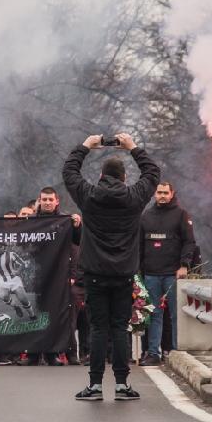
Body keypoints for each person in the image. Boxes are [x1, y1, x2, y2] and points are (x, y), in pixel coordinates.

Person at [63, 133, 159, 401]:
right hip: (123, 274)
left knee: (97, 328)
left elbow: (69, 172)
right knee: (119, 328)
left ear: (101, 177)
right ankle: (121, 385)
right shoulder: (134, 197)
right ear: (125, 178)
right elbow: (152, 173)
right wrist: (133, 147)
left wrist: (84, 146)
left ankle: (94, 386)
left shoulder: (89, 196)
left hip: (94, 274)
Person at [19, 186, 82, 366]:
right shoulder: (30, 221)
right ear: (39, 201)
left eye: (50, 200)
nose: (47, 203)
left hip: (59, 275)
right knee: (34, 315)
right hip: (36, 277)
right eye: (44, 199)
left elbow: (77, 245)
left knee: (61, 315)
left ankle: (57, 354)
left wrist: (77, 227)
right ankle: (33, 354)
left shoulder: (65, 220)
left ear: (57, 201)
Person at [138, 181, 195, 366]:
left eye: (165, 192)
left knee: (175, 314)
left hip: (173, 273)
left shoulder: (180, 215)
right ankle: (153, 353)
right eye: (159, 192)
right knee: (153, 314)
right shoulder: (146, 216)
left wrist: (184, 265)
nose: (162, 195)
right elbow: (139, 246)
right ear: (155, 194)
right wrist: (138, 271)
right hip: (151, 274)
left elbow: (189, 242)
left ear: (172, 194)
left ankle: (177, 351)